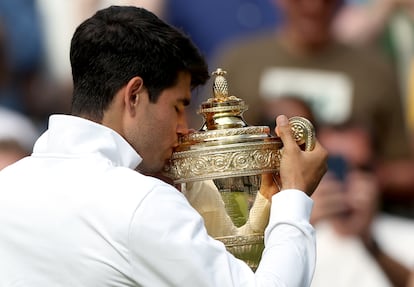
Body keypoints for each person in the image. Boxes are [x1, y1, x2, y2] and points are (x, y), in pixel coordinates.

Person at [0, 6, 328, 287]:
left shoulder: (7, 186)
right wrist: (294, 196)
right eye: (177, 107)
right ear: (134, 96)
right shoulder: (139, 202)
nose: (184, 129)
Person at [210, 0, 414, 217]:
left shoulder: (376, 70)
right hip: (257, 228)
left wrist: (365, 178)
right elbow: (206, 157)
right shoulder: (240, 62)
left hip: (350, 230)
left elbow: (404, 167)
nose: (314, 6)